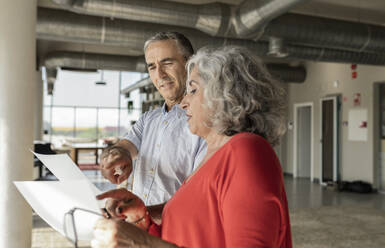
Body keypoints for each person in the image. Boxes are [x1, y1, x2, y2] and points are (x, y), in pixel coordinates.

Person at [92, 46, 292, 248]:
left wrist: (144, 244)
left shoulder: (246, 151)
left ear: (225, 96)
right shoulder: (211, 157)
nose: (184, 103)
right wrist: (142, 218)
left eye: (193, 90)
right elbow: (185, 234)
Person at [99, 32, 206, 220]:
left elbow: (200, 197)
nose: (159, 74)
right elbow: (124, 147)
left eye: (167, 63)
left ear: (190, 64)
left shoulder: (205, 123)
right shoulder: (149, 119)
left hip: (177, 235)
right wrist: (113, 157)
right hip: (140, 230)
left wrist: (144, 214)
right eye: (151, 66)